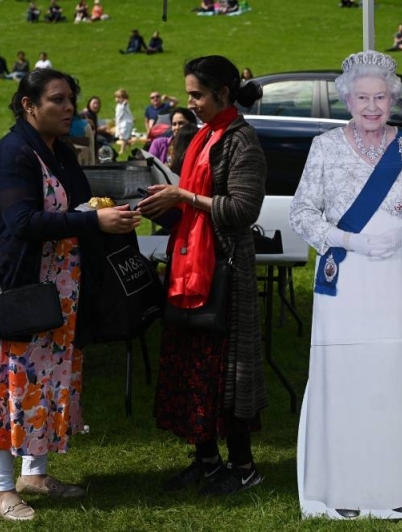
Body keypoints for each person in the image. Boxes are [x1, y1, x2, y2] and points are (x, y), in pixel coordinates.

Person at [0, 68, 140, 522]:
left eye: (71, 99)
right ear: (29, 106)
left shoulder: (59, 152)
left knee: (47, 383)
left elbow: (76, 206)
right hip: (20, 292)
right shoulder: (10, 155)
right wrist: (92, 221)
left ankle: (35, 472)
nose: (70, 108)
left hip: (63, 293)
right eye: (58, 101)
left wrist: (107, 213)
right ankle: (0, 488)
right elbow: (22, 223)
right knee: (9, 387)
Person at [290, 50, 402, 519]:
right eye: (363, 97)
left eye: (381, 96)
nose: (373, 106)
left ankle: (398, 485)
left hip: (395, 279)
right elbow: (302, 212)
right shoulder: (324, 146)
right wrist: (341, 238)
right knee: (346, 379)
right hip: (346, 279)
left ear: (393, 97)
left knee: (394, 378)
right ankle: (345, 488)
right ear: (347, 99)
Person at [137, 54, 268, 497]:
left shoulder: (240, 140)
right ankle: (208, 460)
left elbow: (242, 209)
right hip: (190, 265)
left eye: (197, 94)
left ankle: (244, 466)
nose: (190, 101)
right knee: (195, 363)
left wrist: (184, 196)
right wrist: (163, 200)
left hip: (225, 271)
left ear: (224, 94)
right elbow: (195, 203)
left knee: (226, 369)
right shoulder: (203, 136)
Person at [113, 88, 133, 155]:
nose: (117, 99)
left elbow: (124, 106)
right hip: (122, 123)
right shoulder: (118, 105)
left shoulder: (124, 105)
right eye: (116, 97)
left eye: (119, 97)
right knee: (124, 136)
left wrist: (125, 102)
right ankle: (128, 146)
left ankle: (122, 150)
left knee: (124, 137)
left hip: (126, 123)